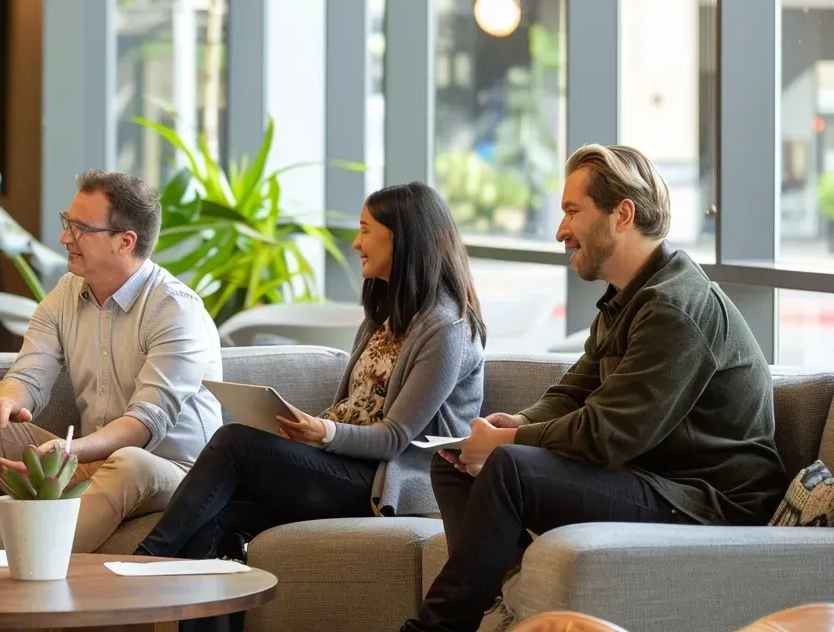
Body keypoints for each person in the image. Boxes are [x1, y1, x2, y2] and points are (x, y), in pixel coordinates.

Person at [402, 145, 786, 632]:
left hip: (703, 503)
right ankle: (506, 600)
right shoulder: (628, 300)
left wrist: (508, 444)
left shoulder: (676, 308)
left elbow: (609, 434)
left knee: (507, 468)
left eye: (572, 211)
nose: (561, 231)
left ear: (622, 214)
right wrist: (516, 424)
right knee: (457, 464)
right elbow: (572, 391)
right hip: (652, 480)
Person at [0, 169, 224, 558]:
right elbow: (27, 377)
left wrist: (71, 451)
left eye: (80, 227)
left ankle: (22, 569)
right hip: (86, 461)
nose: (64, 237)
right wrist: (4, 402)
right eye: (67, 222)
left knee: (131, 462)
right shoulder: (66, 294)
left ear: (125, 241)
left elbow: (144, 424)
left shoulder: (175, 310)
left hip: (175, 472)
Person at [134, 181, 487, 562]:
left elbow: (394, 438)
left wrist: (322, 433)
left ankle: (142, 560)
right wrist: (300, 431)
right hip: (346, 468)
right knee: (213, 518)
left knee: (234, 441)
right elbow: (351, 409)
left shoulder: (447, 328)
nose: (356, 243)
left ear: (403, 238)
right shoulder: (382, 320)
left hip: (388, 483)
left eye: (366, 230)